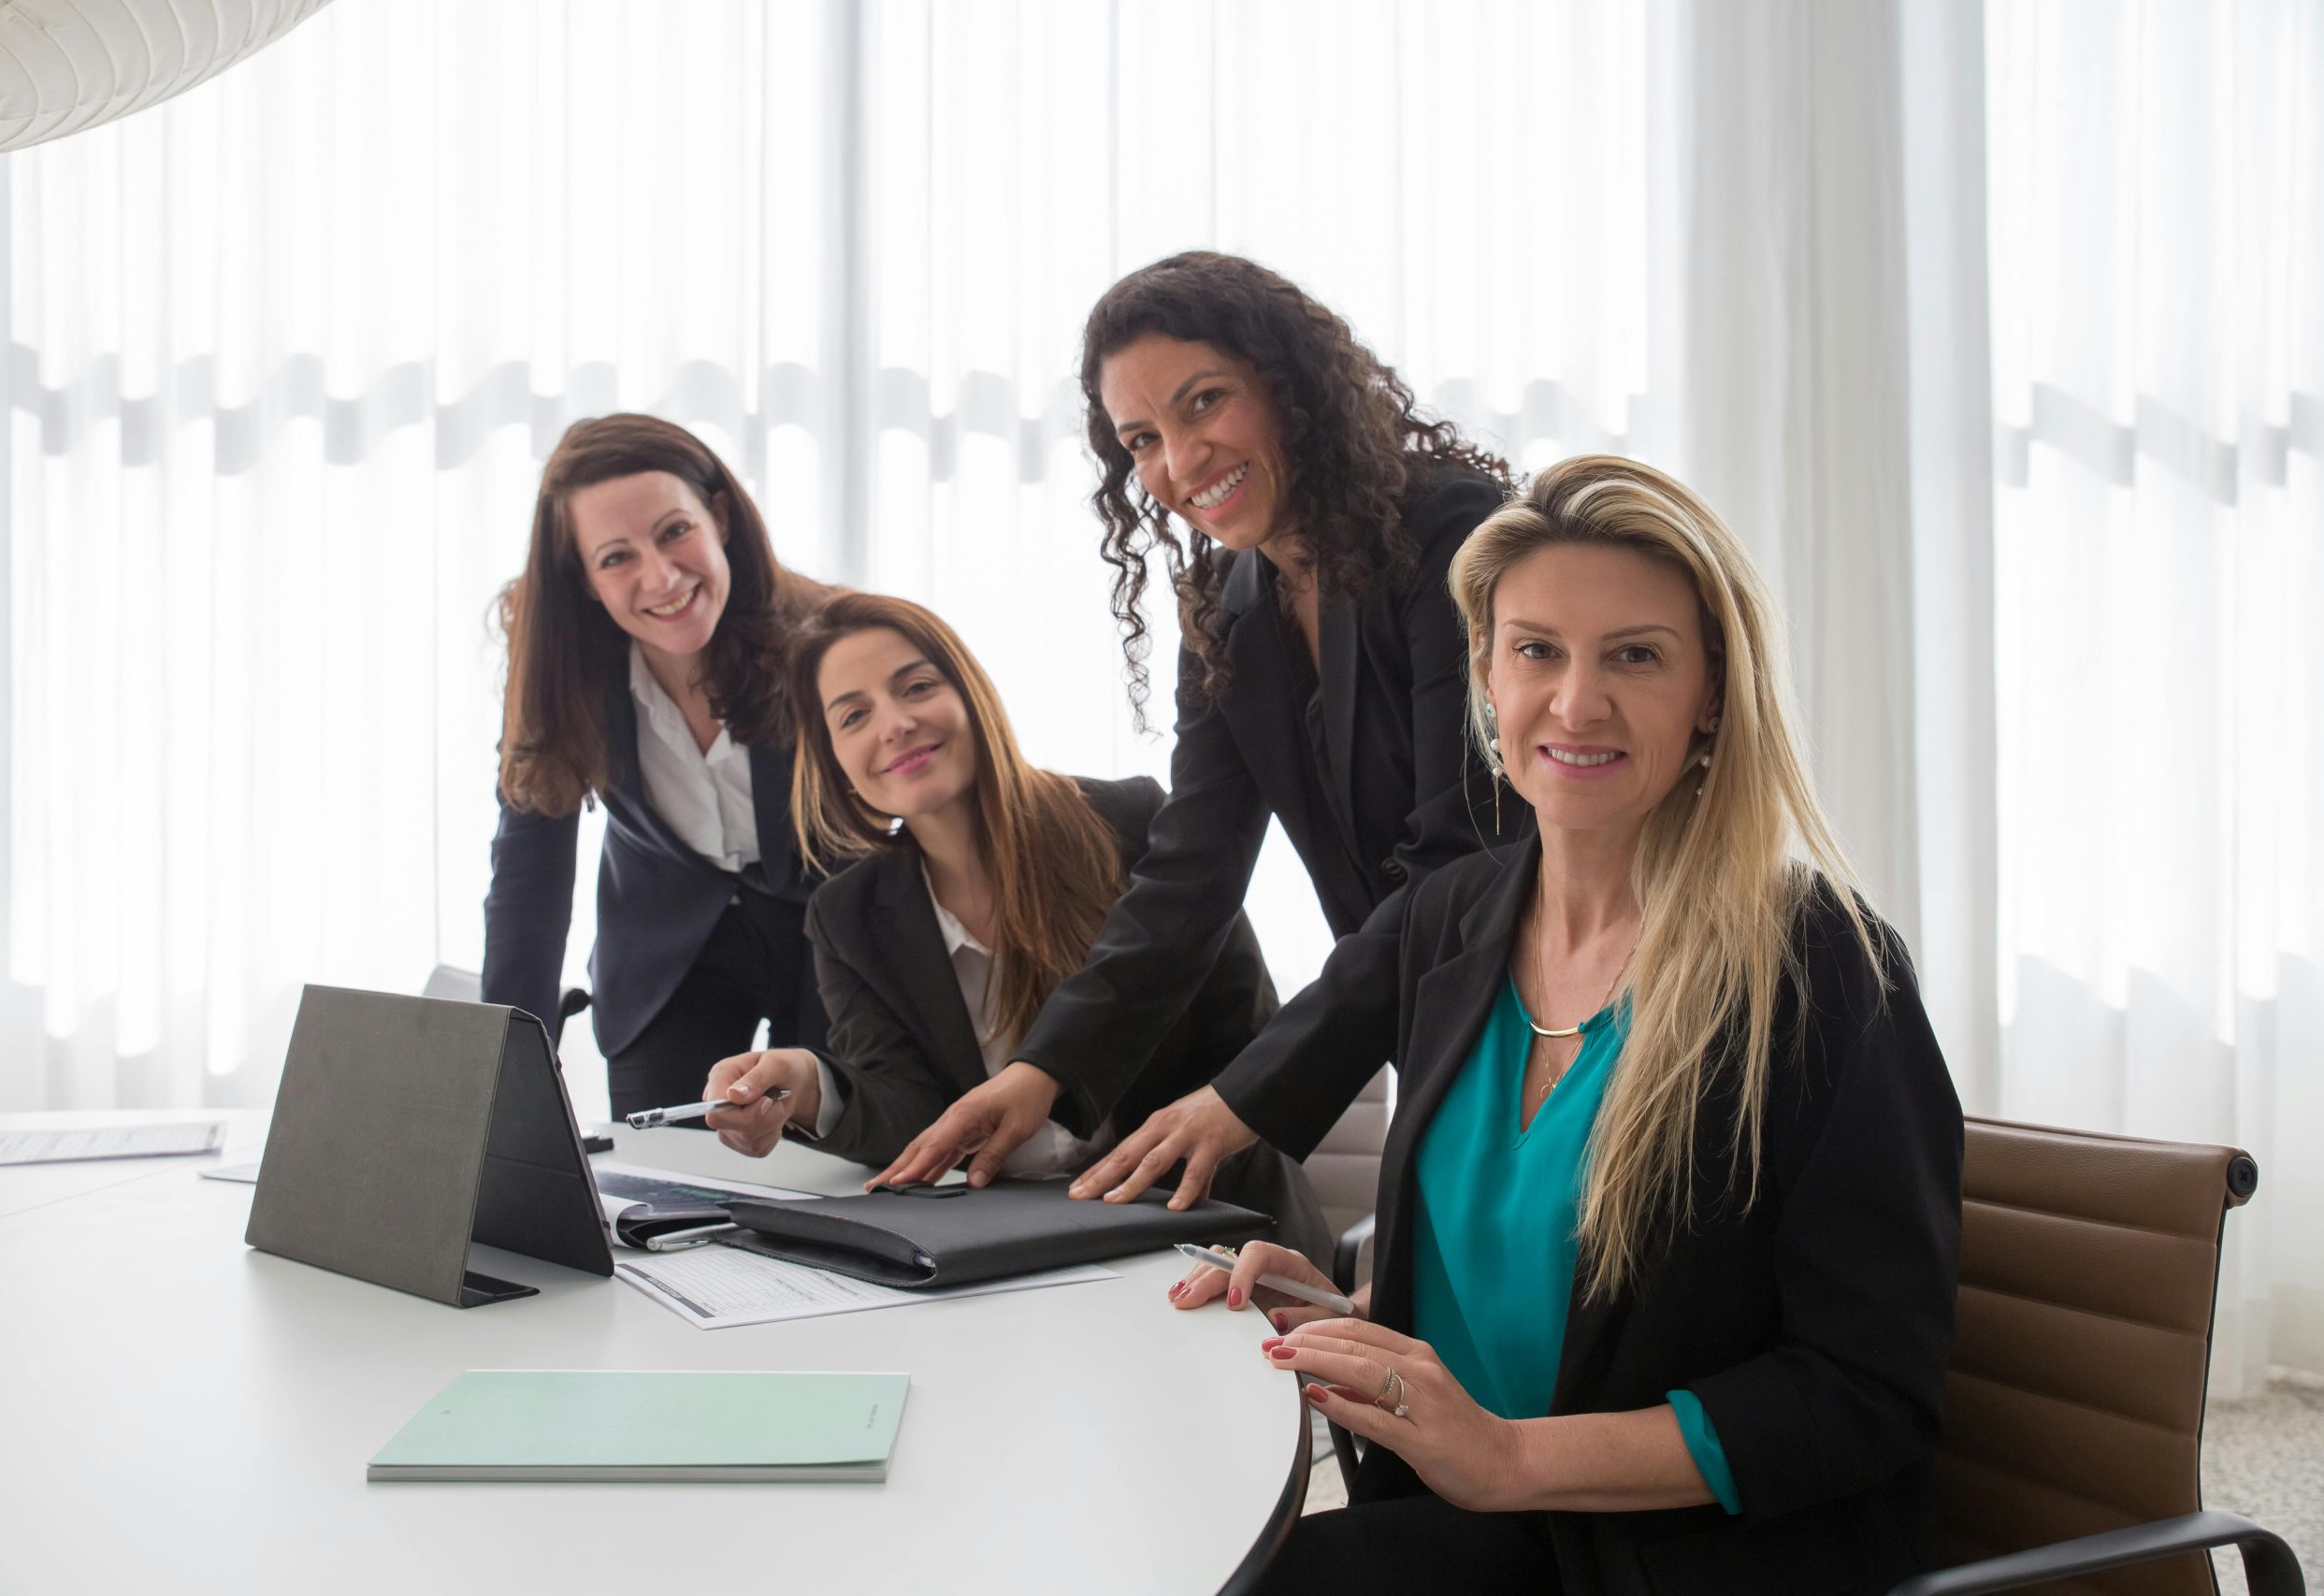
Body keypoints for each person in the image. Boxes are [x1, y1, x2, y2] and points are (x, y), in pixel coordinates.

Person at [1172, 456, 1964, 1595]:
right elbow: (1527, 1293)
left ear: (1711, 694)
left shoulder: (1819, 967)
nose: (1576, 702)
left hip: (1678, 1559)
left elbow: (1867, 1392)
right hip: (1468, 1527)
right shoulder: (1449, 922)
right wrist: (1351, 1317)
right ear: (1486, 677)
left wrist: (1508, 1458)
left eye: (1634, 655)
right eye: (1536, 649)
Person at [869, 251, 1523, 1202]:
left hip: (1554, 1011)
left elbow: (1465, 856)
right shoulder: (1225, 602)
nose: (1177, 464)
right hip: (1425, 1028)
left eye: (1204, 403)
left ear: (1290, 385)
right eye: (1139, 440)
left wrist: (1247, 1095)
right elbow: (1190, 874)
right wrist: (1040, 1075)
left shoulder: (1448, 532)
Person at [694, 593, 1331, 1262]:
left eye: (916, 686)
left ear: (972, 695)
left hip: (1202, 1226)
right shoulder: (846, 914)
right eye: (854, 715)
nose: (896, 723)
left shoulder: (1133, 823)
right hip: (1010, 1255)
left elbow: (1248, 1043)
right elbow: (915, 1117)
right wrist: (805, 1081)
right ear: (834, 761)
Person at [481, 413, 831, 1118]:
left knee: (833, 1184)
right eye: (616, 557)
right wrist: (501, 1079)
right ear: (582, 578)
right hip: (667, 959)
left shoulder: (830, 637)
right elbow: (529, 882)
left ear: (720, 516)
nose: (662, 575)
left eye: (674, 531)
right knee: (664, 1186)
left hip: (833, 948)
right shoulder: (563, 670)